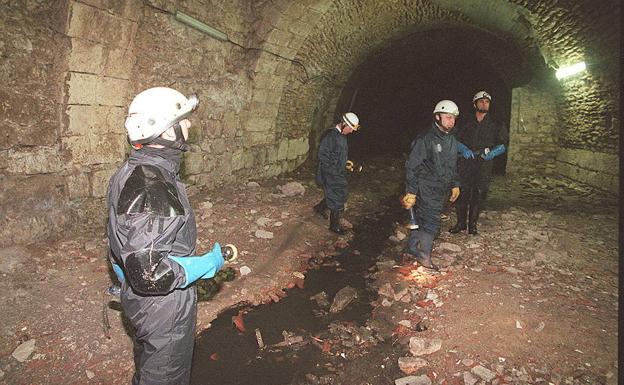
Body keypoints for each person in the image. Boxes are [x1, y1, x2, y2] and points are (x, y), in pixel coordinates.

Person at [106, 87, 228, 385]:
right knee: (163, 376)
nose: (188, 125)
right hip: (163, 307)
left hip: (145, 304)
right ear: (165, 131)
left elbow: (122, 239)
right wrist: (199, 266)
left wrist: (124, 276)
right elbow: (149, 274)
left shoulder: (136, 170)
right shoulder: (152, 185)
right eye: (182, 120)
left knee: (149, 369)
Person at [400, 100, 461, 269]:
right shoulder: (425, 138)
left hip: (441, 188)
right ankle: (423, 257)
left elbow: (453, 164)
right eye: (448, 117)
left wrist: (455, 184)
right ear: (437, 117)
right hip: (426, 187)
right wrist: (411, 191)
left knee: (421, 219)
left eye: (453, 118)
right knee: (431, 222)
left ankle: (412, 249)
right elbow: (412, 166)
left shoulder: (451, 139)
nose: (451, 121)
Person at [449, 90, 509, 235]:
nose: (484, 104)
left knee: (478, 192)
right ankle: (461, 223)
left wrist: (493, 153)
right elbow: (452, 138)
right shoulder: (465, 121)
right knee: (462, 191)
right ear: (475, 103)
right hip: (466, 161)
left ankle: (472, 225)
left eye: (487, 102)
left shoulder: (496, 123)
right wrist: (461, 148)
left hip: (483, 162)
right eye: (481, 101)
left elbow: (503, 143)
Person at [313, 112, 360, 234]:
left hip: (336, 171)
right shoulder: (331, 135)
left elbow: (336, 154)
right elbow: (323, 156)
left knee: (334, 192)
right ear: (344, 124)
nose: (351, 131)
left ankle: (319, 208)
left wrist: (346, 163)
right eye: (350, 128)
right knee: (339, 194)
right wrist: (334, 171)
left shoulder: (341, 135)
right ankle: (334, 226)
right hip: (330, 172)